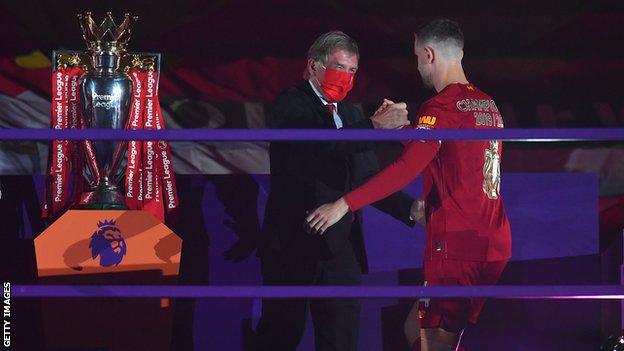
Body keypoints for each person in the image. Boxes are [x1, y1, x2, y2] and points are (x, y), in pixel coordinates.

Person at [305, 19, 512, 351]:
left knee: (434, 344)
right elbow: (445, 156)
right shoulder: (487, 104)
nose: (417, 67)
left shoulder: (440, 106)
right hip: (491, 242)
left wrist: (344, 204)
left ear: (429, 54)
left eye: (417, 58)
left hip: (456, 247)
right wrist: (403, 133)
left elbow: (405, 169)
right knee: (414, 333)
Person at [254, 30, 421, 351]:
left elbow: (367, 179)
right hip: (293, 244)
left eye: (352, 71)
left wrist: (410, 209)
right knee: (279, 335)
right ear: (314, 65)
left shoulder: (352, 113)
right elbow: (315, 147)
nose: (345, 77)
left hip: (341, 248)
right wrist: (373, 128)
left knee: (341, 339)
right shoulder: (291, 103)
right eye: (338, 67)